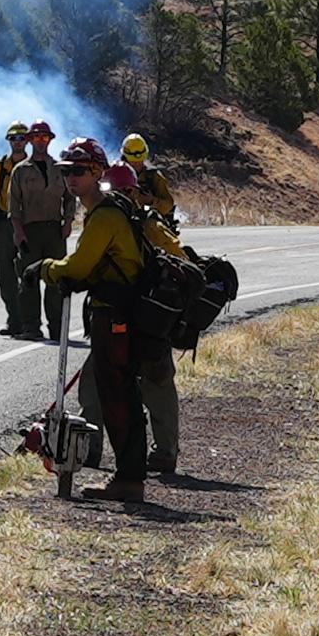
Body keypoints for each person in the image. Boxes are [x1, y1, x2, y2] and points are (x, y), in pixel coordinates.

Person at [23, 137, 155, 502]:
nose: (71, 178)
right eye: (66, 171)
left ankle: (129, 481)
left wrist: (46, 268)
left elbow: (79, 265)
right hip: (115, 313)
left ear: (98, 172)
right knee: (118, 393)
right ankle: (129, 478)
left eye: (79, 171)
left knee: (117, 395)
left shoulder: (107, 215)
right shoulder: (104, 210)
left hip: (115, 316)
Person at [121, 134, 184, 477]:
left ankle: (164, 451)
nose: (135, 162)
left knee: (157, 377)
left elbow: (168, 206)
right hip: (124, 302)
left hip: (152, 303)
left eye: (138, 158)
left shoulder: (155, 181)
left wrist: (151, 201)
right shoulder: (114, 214)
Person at [0, 120, 71, 339]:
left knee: (55, 279)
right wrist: (18, 232)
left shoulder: (60, 169)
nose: (40, 141)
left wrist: (67, 222)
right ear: (30, 140)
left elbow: (69, 198)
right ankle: (31, 327)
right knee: (28, 280)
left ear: (50, 140)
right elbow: (14, 206)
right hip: (30, 231)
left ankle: (57, 328)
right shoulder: (20, 171)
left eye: (44, 137)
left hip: (54, 231)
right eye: (36, 137)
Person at [0, 124, 38, 335]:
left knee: (28, 274)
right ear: (9, 141)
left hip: (30, 226)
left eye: (21, 138)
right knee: (5, 274)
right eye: (13, 138)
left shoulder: (36, 166)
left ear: (28, 141)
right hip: (4, 226)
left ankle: (31, 323)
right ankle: (14, 320)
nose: (17, 142)